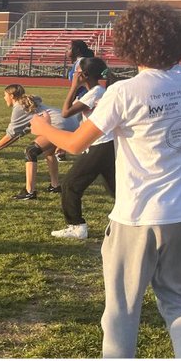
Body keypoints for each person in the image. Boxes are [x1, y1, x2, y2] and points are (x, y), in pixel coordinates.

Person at [30, 2, 181, 358]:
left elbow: (78, 144)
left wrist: (42, 127)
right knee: (180, 304)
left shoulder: (125, 91)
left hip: (139, 216)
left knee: (121, 310)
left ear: (129, 43)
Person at [52, 56, 115, 239]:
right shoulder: (98, 91)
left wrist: (74, 86)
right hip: (106, 144)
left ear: (84, 75)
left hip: (100, 145)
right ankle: (136, 219)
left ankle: (76, 226)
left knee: (70, 184)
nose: (74, 73)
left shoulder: (94, 93)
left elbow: (65, 112)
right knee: (115, 188)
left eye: (77, 71)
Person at [0, 83, 77, 200]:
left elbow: (11, 134)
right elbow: (19, 133)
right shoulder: (25, 103)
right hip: (70, 122)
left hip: (60, 125)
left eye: (4, 95)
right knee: (49, 152)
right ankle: (55, 186)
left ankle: (29, 191)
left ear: (11, 96)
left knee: (30, 151)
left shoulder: (19, 107)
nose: (4, 97)